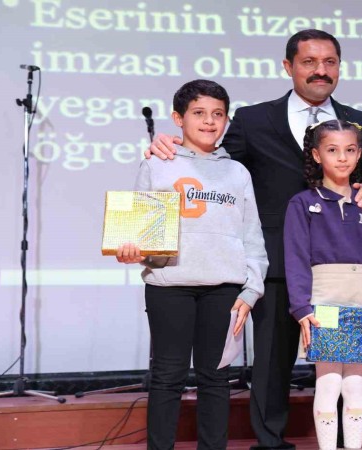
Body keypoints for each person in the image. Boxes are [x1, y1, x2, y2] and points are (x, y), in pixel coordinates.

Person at [147, 29, 362, 450]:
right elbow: (214, 161)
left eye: (329, 62)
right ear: (288, 66)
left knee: (347, 372)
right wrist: (169, 145)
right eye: (309, 62)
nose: (320, 70)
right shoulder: (252, 119)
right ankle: (270, 442)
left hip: (347, 269)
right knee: (270, 362)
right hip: (278, 259)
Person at [116, 79, 268, 450]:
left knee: (215, 379)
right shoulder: (157, 163)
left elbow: (252, 237)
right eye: (199, 113)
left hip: (225, 289)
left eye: (218, 114)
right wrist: (132, 249)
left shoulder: (238, 173)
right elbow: (141, 233)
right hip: (169, 286)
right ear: (178, 118)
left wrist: (251, 289)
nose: (209, 121)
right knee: (167, 377)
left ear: (227, 119)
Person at [283, 119, 362, 450]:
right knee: (329, 381)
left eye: (349, 150)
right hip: (324, 299)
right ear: (317, 155)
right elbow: (295, 258)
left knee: (355, 383)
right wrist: (301, 307)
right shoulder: (303, 203)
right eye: (333, 150)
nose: (342, 158)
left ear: (359, 153)